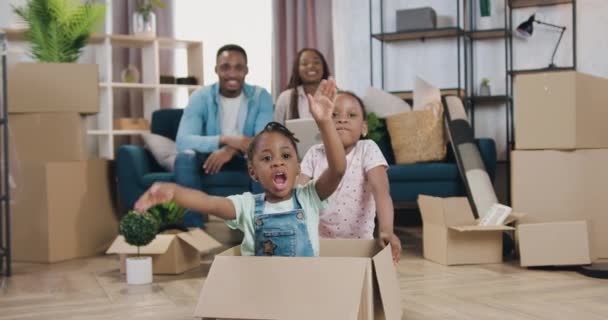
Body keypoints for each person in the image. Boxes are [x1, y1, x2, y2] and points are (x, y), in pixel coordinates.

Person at [135, 79, 346, 257]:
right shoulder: (246, 206)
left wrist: (325, 122)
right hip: (262, 295)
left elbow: (337, 169)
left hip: (304, 291)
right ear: (252, 172)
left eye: (286, 155)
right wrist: (172, 191)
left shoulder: (309, 196)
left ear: (298, 166)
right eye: (266, 158)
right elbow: (208, 202)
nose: (278, 162)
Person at [174, 44, 273, 228]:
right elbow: (183, 140)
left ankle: (264, 229)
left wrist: (230, 150)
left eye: (238, 68)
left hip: (247, 157)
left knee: (265, 156)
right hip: (210, 158)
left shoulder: (261, 97)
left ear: (246, 70)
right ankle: (195, 233)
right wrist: (225, 140)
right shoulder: (201, 96)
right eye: (225, 67)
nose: (232, 74)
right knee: (184, 158)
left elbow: (263, 140)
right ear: (216, 69)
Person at [298, 91, 402, 262]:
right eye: (334, 115)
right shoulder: (314, 153)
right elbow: (297, 195)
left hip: (360, 245)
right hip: (319, 245)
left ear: (364, 128)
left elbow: (381, 192)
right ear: (322, 125)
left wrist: (386, 230)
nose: (342, 120)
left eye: (351, 115)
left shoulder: (367, 149)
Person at [274, 48, 331, 124]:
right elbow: (276, 129)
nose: (311, 66)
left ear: (323, 67)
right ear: (297, 69)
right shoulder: (286, 97)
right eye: (304, 63)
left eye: (316, 62)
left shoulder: (335, 95)